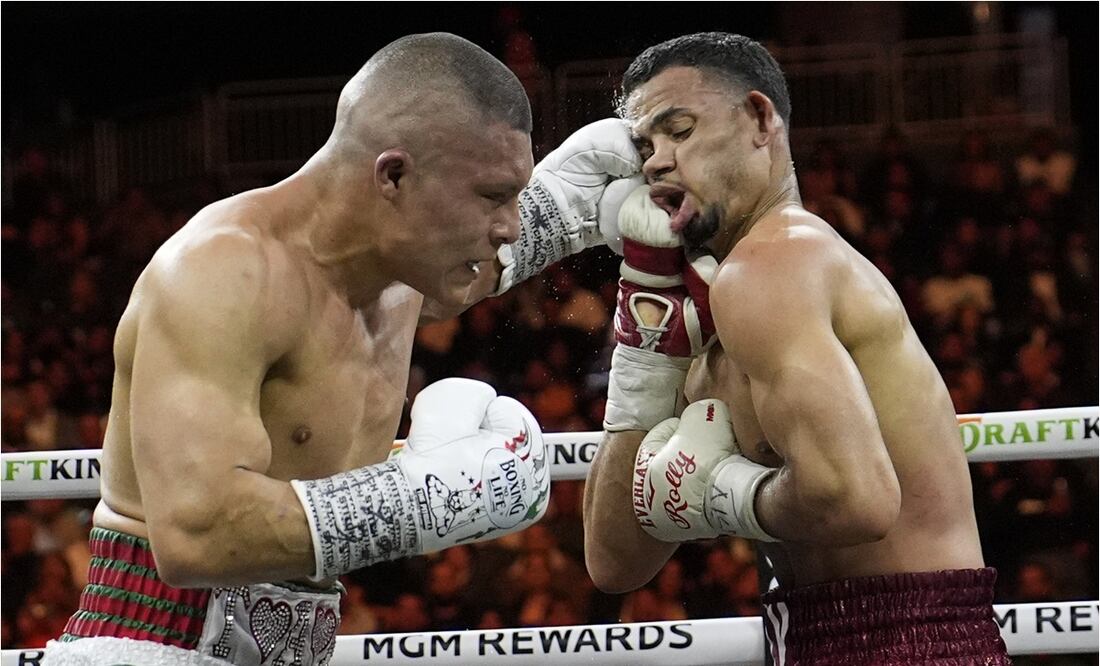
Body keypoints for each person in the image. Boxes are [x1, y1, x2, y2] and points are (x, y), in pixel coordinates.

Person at [47, 32, 639, 666]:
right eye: (495, 196)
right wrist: (427, 500)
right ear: (393, 175)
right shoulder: (225, 273)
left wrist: (574, 200)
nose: (512, 224)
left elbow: (492, 257)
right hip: (154, 646)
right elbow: (196, 534)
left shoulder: (403, 267)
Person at [583, 32, 1010, 664]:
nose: (655, 162)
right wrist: (646, 359)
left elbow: (857, 500)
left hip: (906, 640)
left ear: (760, 119)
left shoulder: (778, 261)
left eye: (679, 129)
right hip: (814, 636)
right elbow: (613, 561)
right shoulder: (709, 311)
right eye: (645, 145)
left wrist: (729, 495)